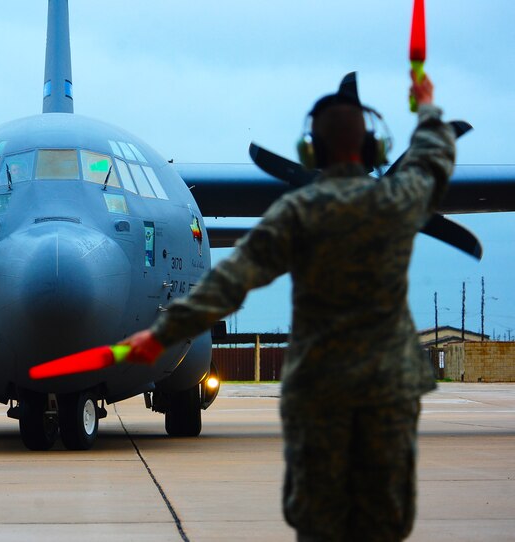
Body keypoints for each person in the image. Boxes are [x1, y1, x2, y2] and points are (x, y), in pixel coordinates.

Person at [121, 70, 455, 541]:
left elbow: (226, 285)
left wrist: (159, 333)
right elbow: (434, 159)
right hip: (389, 387)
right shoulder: (398, 199)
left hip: (318, 389)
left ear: (310, 151)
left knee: (317, 516)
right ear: (374, 150)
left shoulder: (298, 212)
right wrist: (427, 109)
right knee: (387, 514)